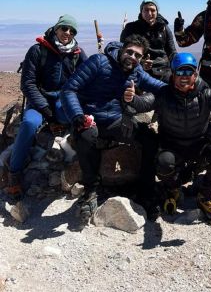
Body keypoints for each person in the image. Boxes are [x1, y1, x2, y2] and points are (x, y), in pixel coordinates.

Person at [124, 52, 211, 224]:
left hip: (198, 144)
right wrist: (131, 99)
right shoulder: (164, 93)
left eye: (188, 72)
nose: (184, 77)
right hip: (172, 145)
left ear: (195, 75)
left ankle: (206, 196)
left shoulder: (204, 93)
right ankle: (173, 190)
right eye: (180, 72)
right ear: (173, 73)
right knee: (163, 162)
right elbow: (144, 103)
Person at [60, 34, 165, 222]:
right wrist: (78, 116)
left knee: (149, 138)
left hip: (116, 120)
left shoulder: (136, 71)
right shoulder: (99, 61)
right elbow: (69, 89)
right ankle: (91, 189)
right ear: (122, 49)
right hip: (89, 118)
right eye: (130, 52)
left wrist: (185, 87)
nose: (133, 57)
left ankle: (146, 190)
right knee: (85, 138)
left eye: (138, 56)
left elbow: (157, 86)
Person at [5, 15, 87, 200]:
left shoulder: (77, 53)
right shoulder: (38, 50)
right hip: (39, 101)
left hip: (62, 100)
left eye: (72, 30)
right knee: (29, 125)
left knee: (74, 119)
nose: (67, 33)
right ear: (56, 28)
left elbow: (89, 76)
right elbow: (28, 84)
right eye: (64, 28)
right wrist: (47, 113)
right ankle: (14, 174)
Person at [120, 0, 176, 82]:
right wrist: (141, 63)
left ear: (157, 12)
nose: (149, 13)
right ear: (141, 11)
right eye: (146, 10)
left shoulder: (164, 28)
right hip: (138, 69)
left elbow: (171, 51)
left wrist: (180, 65)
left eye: (152, 10)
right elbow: (122, 50)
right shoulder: (131, 28)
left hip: (163, 69)